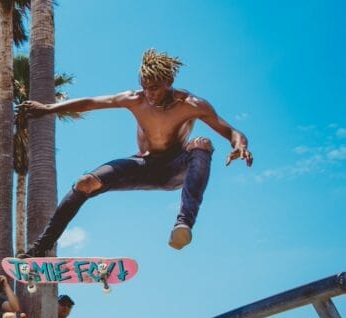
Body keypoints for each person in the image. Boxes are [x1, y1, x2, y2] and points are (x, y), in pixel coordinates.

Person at [18, 48, 253, 257]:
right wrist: (48, 107)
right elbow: (91, 102)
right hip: (144, 165)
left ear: (169, 80)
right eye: (145, 86)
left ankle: (183, 224)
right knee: (85, 182)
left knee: (201, 142)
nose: (149, 93)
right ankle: (41, 246)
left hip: (176, 167)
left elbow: (231, 131)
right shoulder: (135, 99)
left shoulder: (191, 104)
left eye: (155, 88)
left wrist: (239, 144)